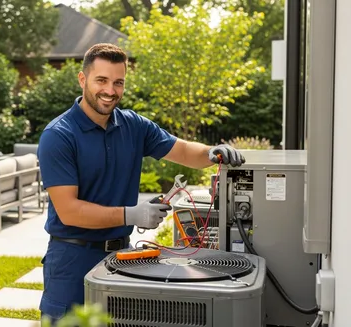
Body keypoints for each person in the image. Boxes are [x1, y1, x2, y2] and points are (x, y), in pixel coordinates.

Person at [36, 43, 245, 323]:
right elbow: (69, 210)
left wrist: (211, 152)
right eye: (102, 80)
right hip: (72, 260)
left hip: (122, 258)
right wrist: (132, 214)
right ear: (82, 79)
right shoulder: (59, 135)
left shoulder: (133, 125)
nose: (110, 91)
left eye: (118, 82)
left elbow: (182, 150)